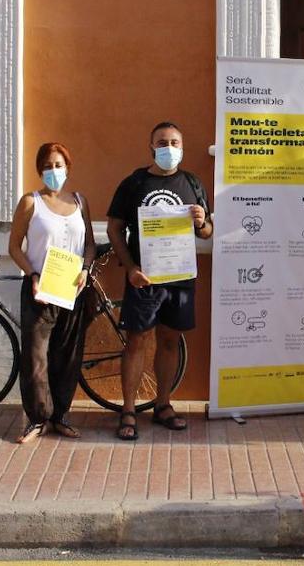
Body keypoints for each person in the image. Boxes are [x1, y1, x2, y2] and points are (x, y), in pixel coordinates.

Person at [106, 122, 213, 440]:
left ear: (182, 146)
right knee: (137, 342)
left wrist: (202, 221)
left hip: (179, 278)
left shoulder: (192, 183)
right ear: (151, 146)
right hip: (144, 277)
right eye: (163, 142)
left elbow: (207, 231)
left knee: (169, 341)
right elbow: (114, 228)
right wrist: (129, 267)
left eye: (175, 142)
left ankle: (163, 405)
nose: (169, 147)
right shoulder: (134, 182)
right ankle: (128, 409)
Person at [8, 142, 96, 444]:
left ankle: (61, 416)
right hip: (39, 290)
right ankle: (37, 418)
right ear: (39, 170)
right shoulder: (30, 202)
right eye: (47, 166)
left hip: (73, 289)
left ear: (68, 168)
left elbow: (90, 244)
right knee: (35, 357)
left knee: (68, 355)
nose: (53, 171)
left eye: (59, 165)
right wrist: (32, 274)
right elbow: (14, 246)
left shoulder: (81, 202)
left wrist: (85, 268)